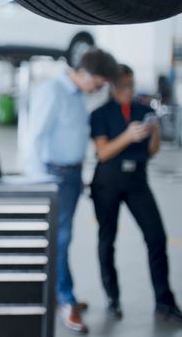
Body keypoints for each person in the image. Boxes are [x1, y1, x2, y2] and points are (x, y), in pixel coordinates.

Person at [25, 49, 119, 334]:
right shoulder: (52, 91)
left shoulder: (79, 97)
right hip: (55, 176)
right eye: (100, 82)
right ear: (86, 74)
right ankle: (65, 300)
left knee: (64, 237)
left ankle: (60, 292)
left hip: (73, 175)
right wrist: (41, 181)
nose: (100, 88)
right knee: (60, 238)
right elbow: (34, 137)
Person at [89, 64, 182, 323]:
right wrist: (128, 136)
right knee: (107, 241)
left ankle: (164, 301)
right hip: (108, 181)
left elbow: (151, 152)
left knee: (156, 237)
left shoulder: (145, 111)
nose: (127, 91)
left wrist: (154, 134)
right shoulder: (100, 114)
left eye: (130, 85)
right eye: (122, 86)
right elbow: (103, 152)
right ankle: (112, 298)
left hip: (138, 181)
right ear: (112, 86)